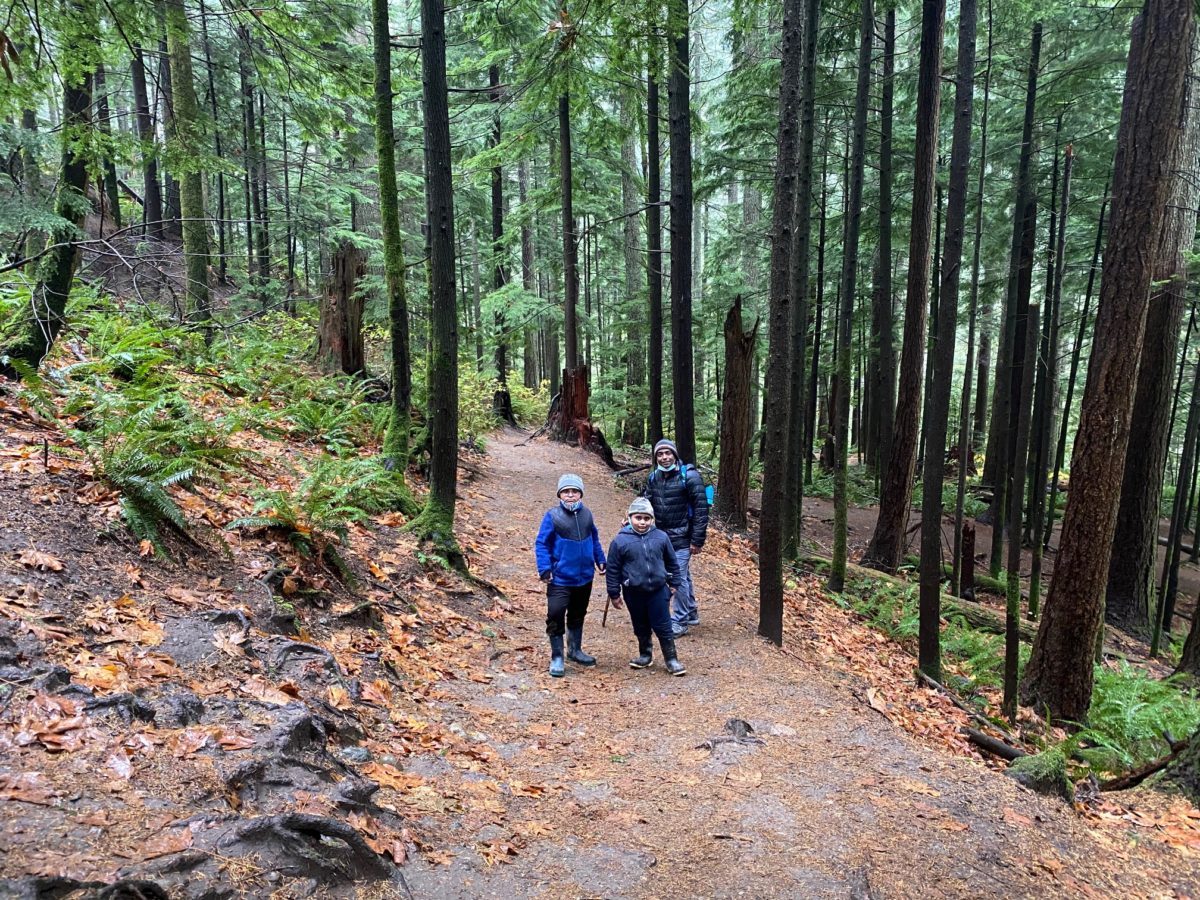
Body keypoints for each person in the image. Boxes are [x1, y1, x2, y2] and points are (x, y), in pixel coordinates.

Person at [534, 473, 606, 677]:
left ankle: (575, 650)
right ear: (560, 494)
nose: (570, 495)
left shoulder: (587, 515)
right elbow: (542, 543)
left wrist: (600, 559)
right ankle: (557, 656)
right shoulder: (553, 516)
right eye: (566, 491)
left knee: (577, 613)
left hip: (584, 577)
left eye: (574, 491)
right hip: (560, 577)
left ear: (580, 494)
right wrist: (545, 568)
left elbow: (594, 538)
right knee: (556, 613)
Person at [606, 498, 686, 676]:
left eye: (646, 518)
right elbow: (613, 569)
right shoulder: (620, 541)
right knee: (640, 623)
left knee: (663, 625)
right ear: (629, 517)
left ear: (652, 519)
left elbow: (672, 562)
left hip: (658, 591)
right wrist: (614, 593)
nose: (642, 522)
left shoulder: (661, 537)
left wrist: (674, 583)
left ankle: (671, 658)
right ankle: (645, 654)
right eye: (638, 518)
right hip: (633, 592)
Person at [641, 438, 708, 636]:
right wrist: (631, 517)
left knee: (676, 577)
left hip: (683, 537)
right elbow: (646, 501)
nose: (664, 458)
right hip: (663, 537)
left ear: (675, 455)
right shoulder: (654, 477)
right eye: (660, 454)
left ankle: (679, 620)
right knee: (682, 574)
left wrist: (697, 540)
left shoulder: (690, 477)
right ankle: (691, 611)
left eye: (667, 453)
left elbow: (701, 510)